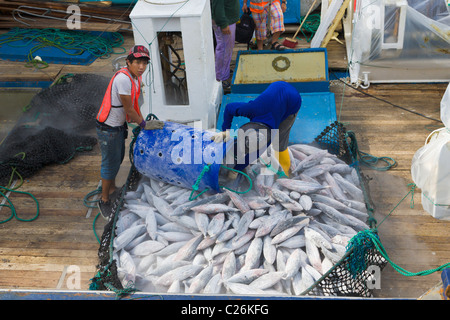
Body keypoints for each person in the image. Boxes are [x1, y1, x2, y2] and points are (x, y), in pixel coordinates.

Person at [96, 45, 163, 219]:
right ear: (128, 62)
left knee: (117, 159)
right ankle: (103, 200)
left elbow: (135, 106)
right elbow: (128, 108)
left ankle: (110, 188)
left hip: (118, 126)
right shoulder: (123, 79)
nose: (141, 67)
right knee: (109, 163)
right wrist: (144, 125)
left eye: (144, 63)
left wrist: (142, 121)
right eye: (137, 63)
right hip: (108, 128)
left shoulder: (136, 78)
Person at [212, 81, 301, 177]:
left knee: (279, 143)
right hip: (277, 86)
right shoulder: (251, 109)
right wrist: (226, 131)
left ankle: (287, 172)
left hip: (293, 101)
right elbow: (229, 108)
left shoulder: (270, 136)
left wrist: (235, 170)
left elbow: (252, 155)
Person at [211, 0, 240, 90]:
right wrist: (223, 24)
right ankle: (220, 78)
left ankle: (225, 71)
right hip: (224, 22)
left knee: (227, 48)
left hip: (228, 20)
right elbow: (217, 6)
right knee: (224, 49)